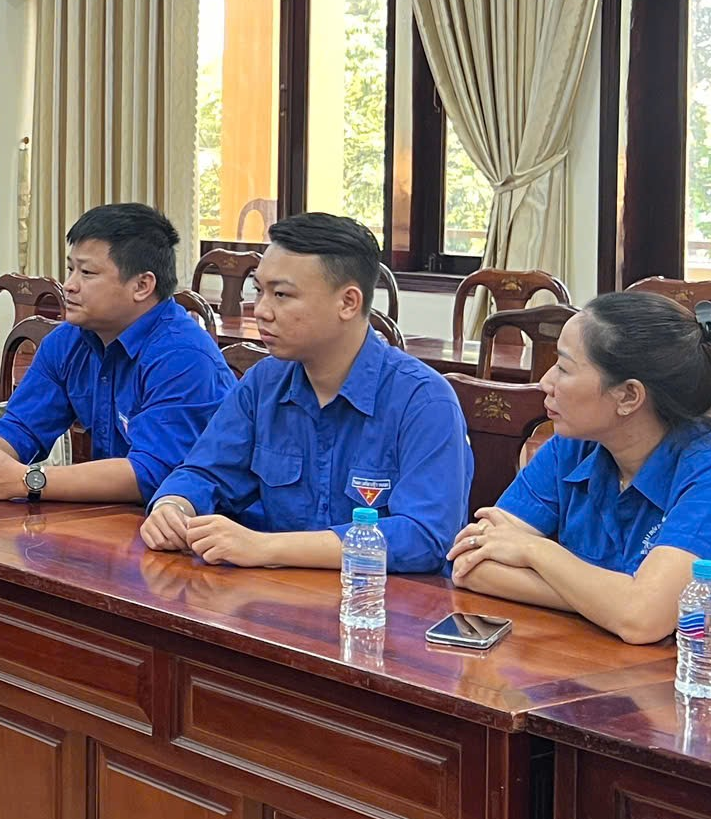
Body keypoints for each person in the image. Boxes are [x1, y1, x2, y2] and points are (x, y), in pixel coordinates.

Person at [450, 291, 711, 640]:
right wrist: (611, 601)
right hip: (606, 664)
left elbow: (642, 620)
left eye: (563, 367)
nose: (546, 381)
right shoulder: (575, 444)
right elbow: (470, 564)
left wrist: (535, 551)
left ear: (628, 396)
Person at [141, 212, 470, 573]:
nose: (261, 311)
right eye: (259, 291)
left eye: (282, 295)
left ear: (348, 302)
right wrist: (173, 506)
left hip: (381, 600)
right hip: (277, 594)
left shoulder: (423, 400)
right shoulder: (263, 383)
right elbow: (205, 473)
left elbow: (424, 536)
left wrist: (267, 548)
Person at [0, 203, 232, 504]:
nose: (69, 285)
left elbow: (152, 474)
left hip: (200, 522)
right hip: (114, 516)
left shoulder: (183, 356)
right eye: (70, 269)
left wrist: (25, 480)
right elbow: (21, 427)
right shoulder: (68, 341)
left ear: (142, 286)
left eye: (87, 273)